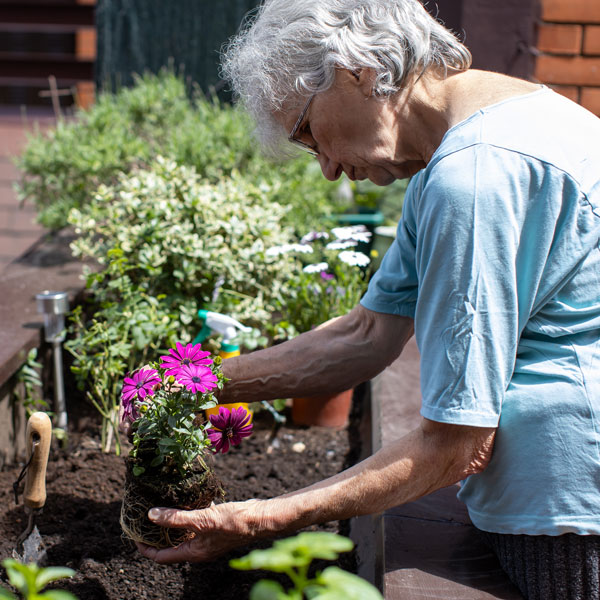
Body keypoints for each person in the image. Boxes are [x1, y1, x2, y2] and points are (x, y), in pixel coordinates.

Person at [136, 1, 600, 597]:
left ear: (353, 70)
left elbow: (455, 445)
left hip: (571, 521)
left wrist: (260, 517)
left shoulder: (476, 177)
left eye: (308, 131)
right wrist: (189, 382)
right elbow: (365, 336)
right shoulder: (503, 123)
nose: (327, 168)